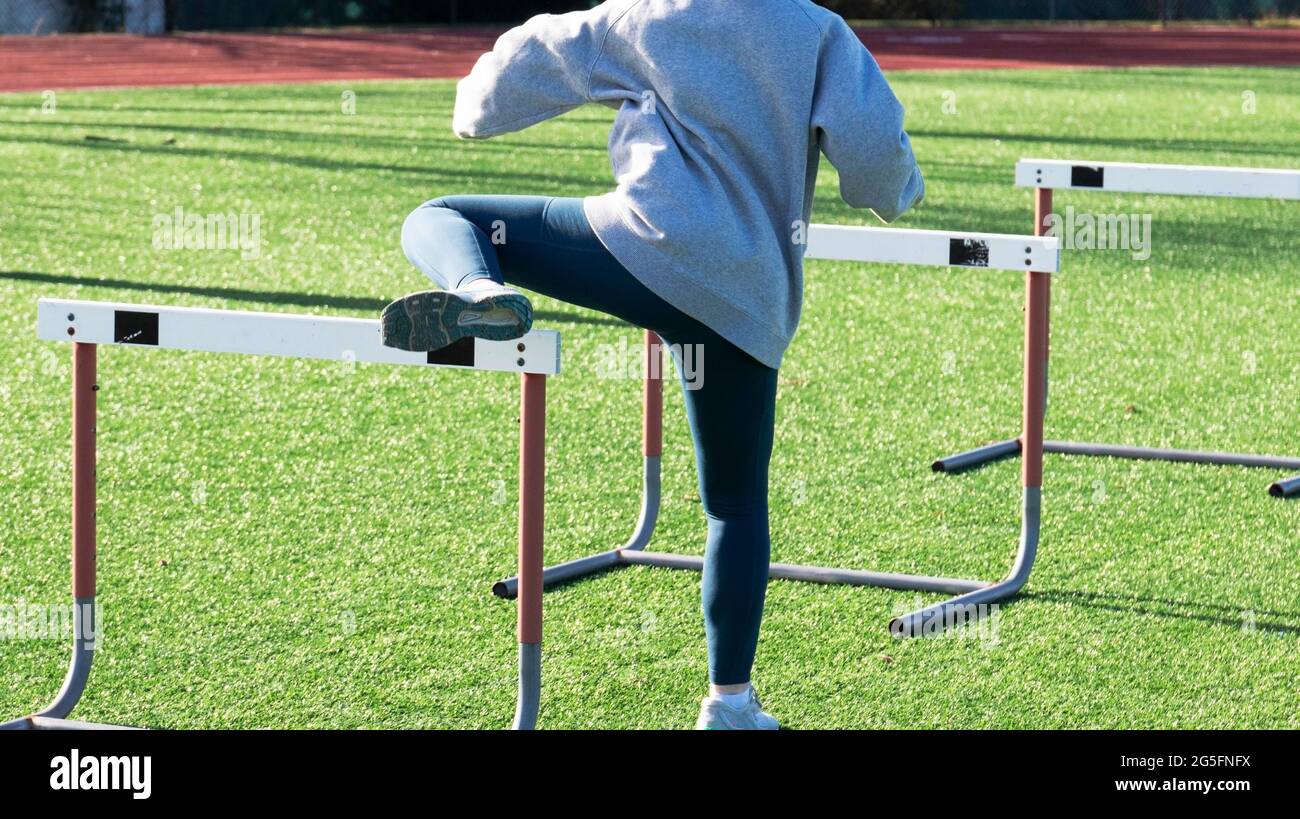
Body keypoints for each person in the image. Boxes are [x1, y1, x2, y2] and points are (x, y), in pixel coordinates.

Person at [382, 0, 924, 730]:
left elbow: (528, 56)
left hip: (641, 249)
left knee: (442, 214)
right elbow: (871, 147)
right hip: (743, 292)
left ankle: (479, 288)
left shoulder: (642, 17)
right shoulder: (815, 27)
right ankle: (730, 703)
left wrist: (473, 109)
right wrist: (899, 193)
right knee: (733, 504)